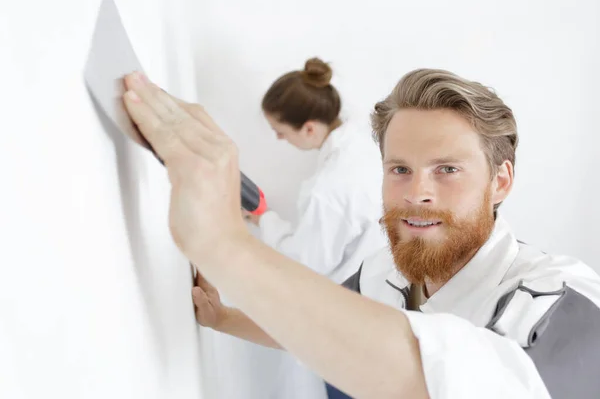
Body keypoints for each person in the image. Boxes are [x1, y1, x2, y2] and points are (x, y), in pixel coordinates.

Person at [122, 68, 600, 399]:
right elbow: (317, 324)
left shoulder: (569, 303)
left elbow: (444, 377)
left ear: (500, 182)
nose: (417, 193)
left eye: (447, 169)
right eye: (400, 169)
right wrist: (226, 319)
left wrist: (224, 243)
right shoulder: (385, 271)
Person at [244, 57, 387, 287]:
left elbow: (305, 264)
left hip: (356, 299)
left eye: (280, 131)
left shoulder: (329, 189)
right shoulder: (367, 140)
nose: (279, 139)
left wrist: (264, 218)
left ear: (309, 128)